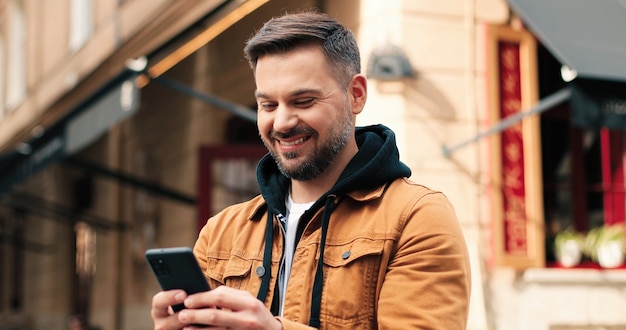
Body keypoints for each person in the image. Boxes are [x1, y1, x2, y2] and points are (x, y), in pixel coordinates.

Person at [151, 10, 471, 329]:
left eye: (303, 101)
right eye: (268, 105)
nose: (282, 122)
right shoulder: (220, 233)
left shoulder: (417, 218)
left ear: (356, 94)